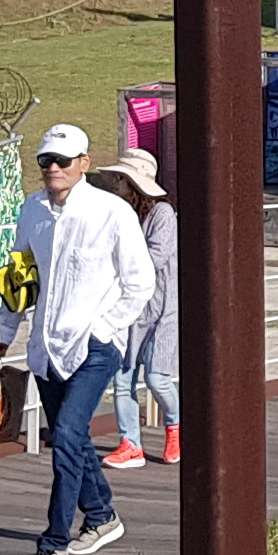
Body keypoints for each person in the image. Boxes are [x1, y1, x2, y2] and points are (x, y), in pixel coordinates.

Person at [0, 122, 153, 555]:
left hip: (96, 345)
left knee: (64, 435)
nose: (53, 168)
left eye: (62, 161)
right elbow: (20, 277)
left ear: (84, 163)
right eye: (45, 160)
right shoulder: (33, 210)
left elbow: (141, 282)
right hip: (47, 345)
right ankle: (101, 515)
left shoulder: (111, 211)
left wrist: (105, 327)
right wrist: (5, 330)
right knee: (73, 437)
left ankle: (54, 545)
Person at [95, 147, 181, 468]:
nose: (115, 185)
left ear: (134, 183)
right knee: (122, 379)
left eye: (120, 179)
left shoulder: (162, 214)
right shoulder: (119, 213)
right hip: (127, 308)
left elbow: (156, 257)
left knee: (158, 379)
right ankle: (131, 444)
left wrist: (119, 262)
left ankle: (175, 427)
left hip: (161, 310)